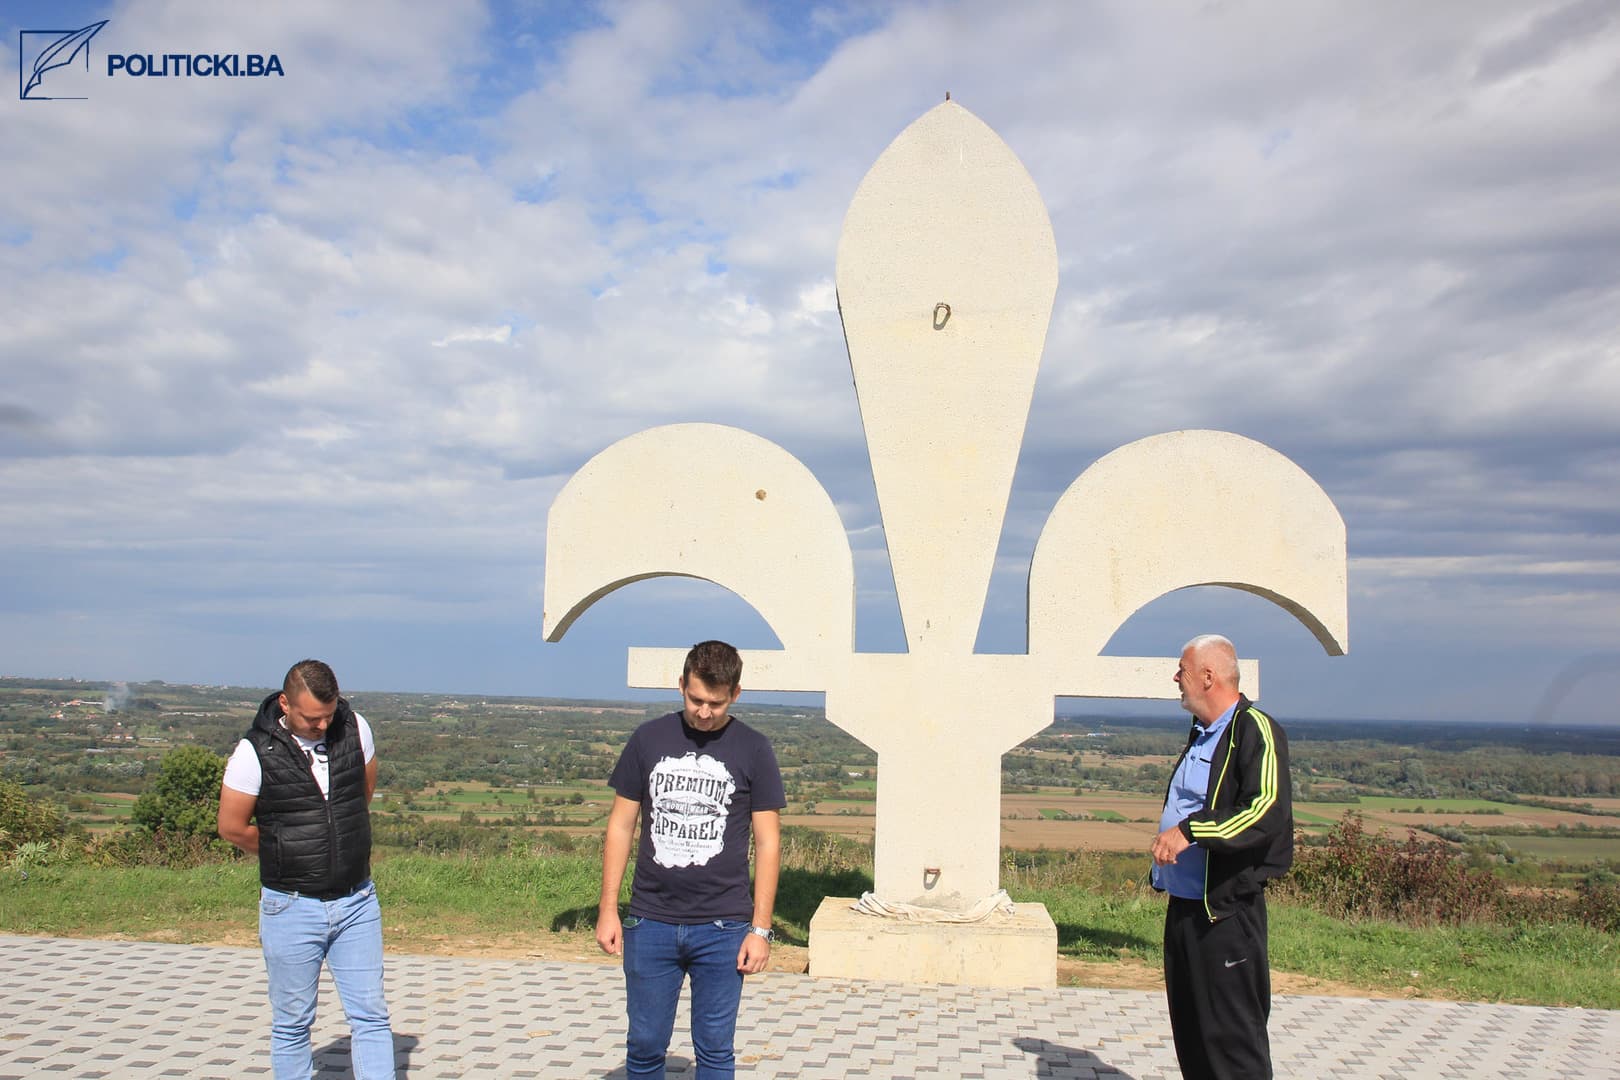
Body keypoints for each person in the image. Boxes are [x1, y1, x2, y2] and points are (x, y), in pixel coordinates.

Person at [596, 640, 785, 1079]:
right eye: (696, 699)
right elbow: (621, 826)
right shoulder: (648, 739)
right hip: (650, 921)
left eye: (715, 703)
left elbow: (769, 842)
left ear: (735, 694)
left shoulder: (754, 748)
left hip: (724, 927)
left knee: (716, 1049)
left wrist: (761, 929)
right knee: (643, 1047)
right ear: (681, 685)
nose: (704, 712)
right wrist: (609, 909)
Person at [217, 659, 395, 1080]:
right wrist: (283, 849)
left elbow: (359, 796)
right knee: (293, 1023)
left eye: (328, 716)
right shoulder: (254, 752)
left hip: (357, 902)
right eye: (312, 718)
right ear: (285, 703)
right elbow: (231, 826)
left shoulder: (356, 728)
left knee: (371, 1016)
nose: (321, 726)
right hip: (291, 906)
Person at [1149, 635, 1292, 1080]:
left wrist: (1190, 831)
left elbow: (1263, 812)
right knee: (1193, 1039)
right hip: (1186, 911)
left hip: (1227, 915)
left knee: (1232, 1045)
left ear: (1208, 676)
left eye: (1182, 670)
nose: (1177, 678)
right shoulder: (1201, 734)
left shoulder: (1255, 730)